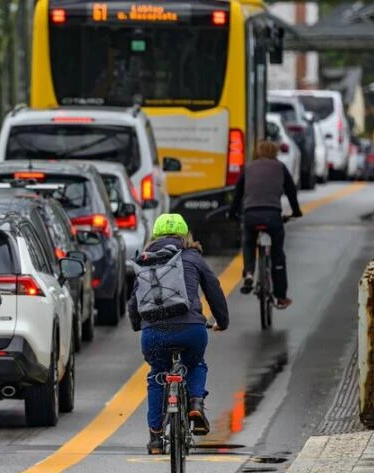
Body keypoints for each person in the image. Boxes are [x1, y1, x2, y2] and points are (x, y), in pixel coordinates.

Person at [128, 214, 229, 455]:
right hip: (191, 329)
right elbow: (213, 289)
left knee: (157, 376)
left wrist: (137, 325)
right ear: (185, 236)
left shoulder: (145, 260)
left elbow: (135, 302)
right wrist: (222, 322)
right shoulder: (194, 257)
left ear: (156, 236)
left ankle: (154, 438)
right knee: (195, 364)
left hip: (154, 333)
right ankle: (195, 402)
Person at [229, 140, 303, 308]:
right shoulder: (280, 167)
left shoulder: (248, 168)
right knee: (277, 254)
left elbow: (237, 194)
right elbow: (291, 191)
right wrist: (296, 212)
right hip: (273, 216)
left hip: (250, 215)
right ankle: (281, 297)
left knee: (248, 243)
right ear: (275, 152)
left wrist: (232, 213)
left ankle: (248, 273)